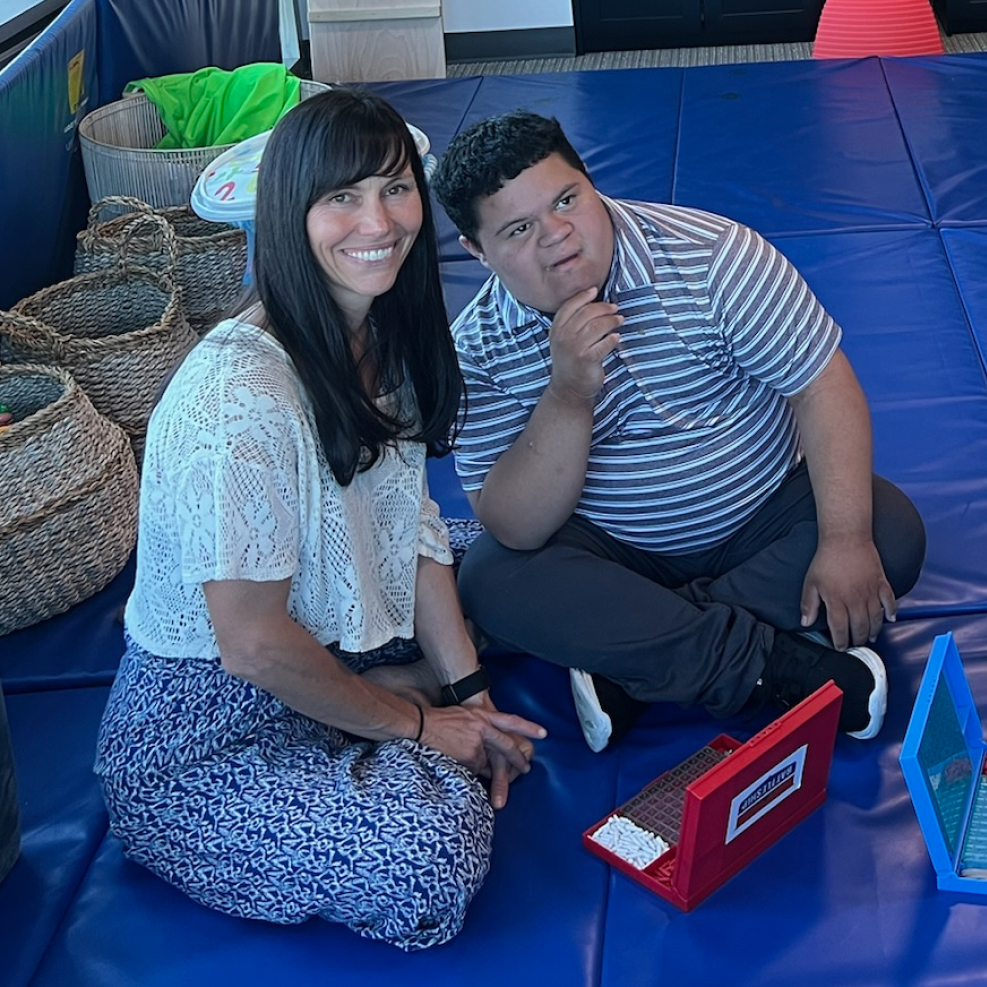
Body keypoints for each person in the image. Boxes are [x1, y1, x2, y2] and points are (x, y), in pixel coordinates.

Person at [95, 89, 545, 952]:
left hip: (325, 629)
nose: (376, 220)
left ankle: (363, 702)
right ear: (288, 214)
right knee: (426, 863)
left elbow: (407, 524)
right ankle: (363, 710)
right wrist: (421, 723)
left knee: (506, 552)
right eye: (340, 196)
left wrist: (467, 693)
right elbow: (253, 646)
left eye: (393, 186)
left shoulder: (384, 331)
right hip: (206, 733)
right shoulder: (238, 398)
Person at [431, 109, 926, 752]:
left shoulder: (714, 256)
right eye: (520, 229)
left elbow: (822, 385)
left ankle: (638, 664)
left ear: (590, 180)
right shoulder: (474, 347)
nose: (557, 236)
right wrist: (570, 392)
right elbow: (516, 524)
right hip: (611, 548)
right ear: (476, 251)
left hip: (763, 516)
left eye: (567, 200)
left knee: (889, 531)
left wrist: (844, 540)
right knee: (493, 580)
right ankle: (779, 669)